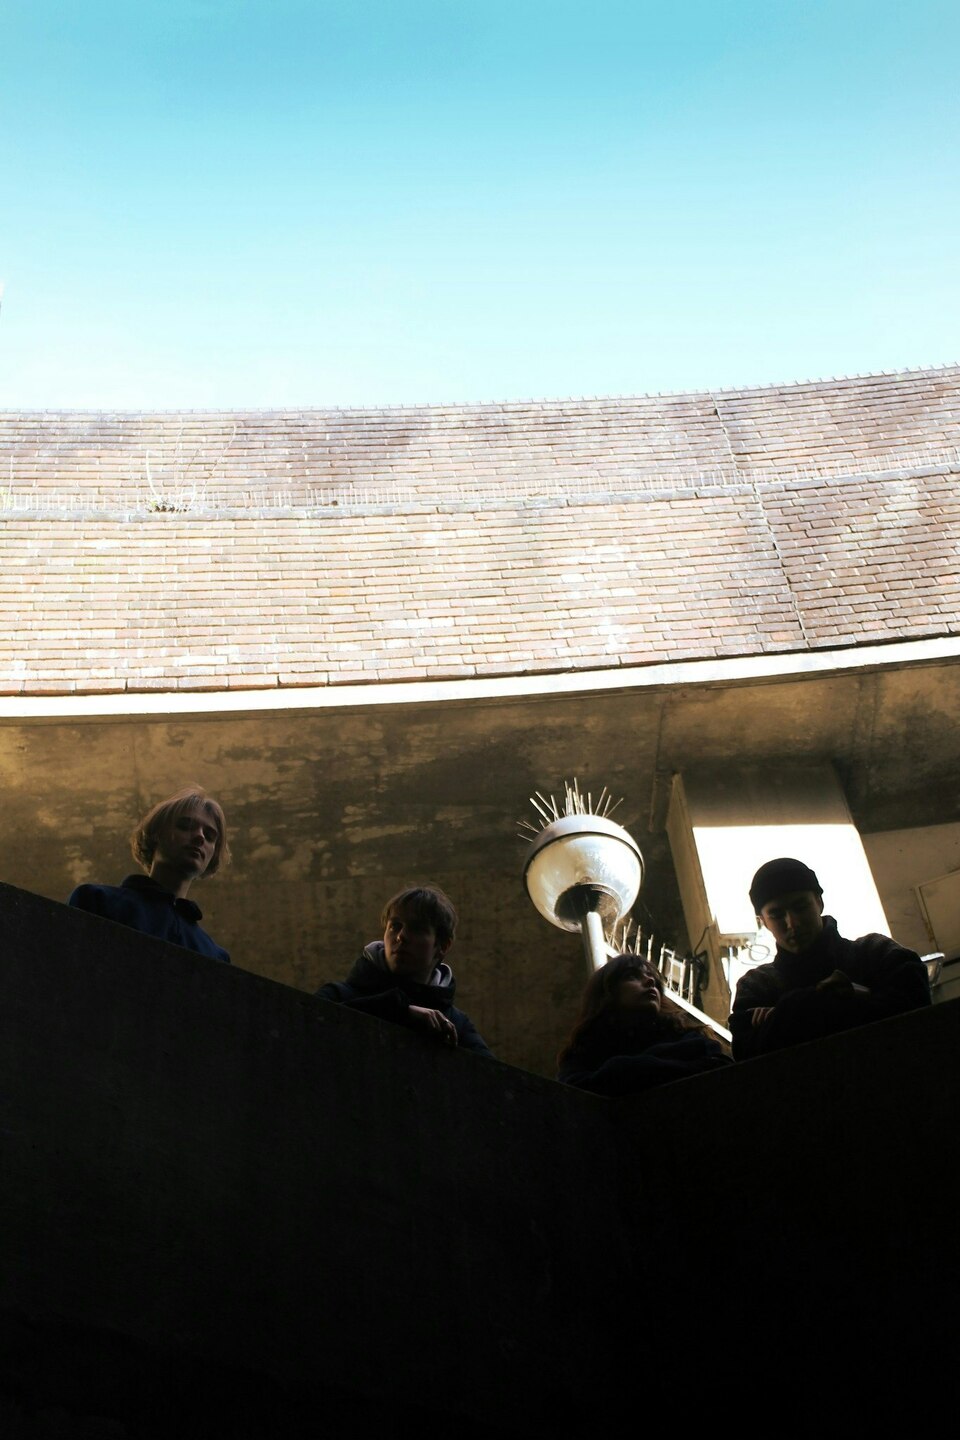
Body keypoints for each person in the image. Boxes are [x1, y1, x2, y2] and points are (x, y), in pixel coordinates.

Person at [729, 856, 930, 1060]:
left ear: (819, 902)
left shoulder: (878, 952)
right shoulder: (755, 985)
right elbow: (745, 1054)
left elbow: (917, 1013)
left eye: (801, 906)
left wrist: (784, 1014)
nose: (792, 923)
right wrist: (847, 998)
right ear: (763, 921)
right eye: (777, 915)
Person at [317, 884, 492, 1055]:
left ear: (443, 946)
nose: (401, 936)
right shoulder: (337, 996)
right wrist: (398, 1011)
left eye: (417, 928)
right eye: (395, 926)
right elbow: (309, 1026)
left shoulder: (456, 1025)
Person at [68, 786, 231, 964]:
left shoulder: (215, 956)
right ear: (156, 834)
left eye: (210, 836)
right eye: (185, 826)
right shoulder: (97, 901)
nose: (200, 837)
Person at [556, 952, 733, 1095]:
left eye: (653, 979)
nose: (650, 981)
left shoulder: (689, 1036)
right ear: (607, 992)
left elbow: (722, 1071)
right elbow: (573, 1095)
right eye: (632, 976)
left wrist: (623, 1068)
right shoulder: (584, 1053)